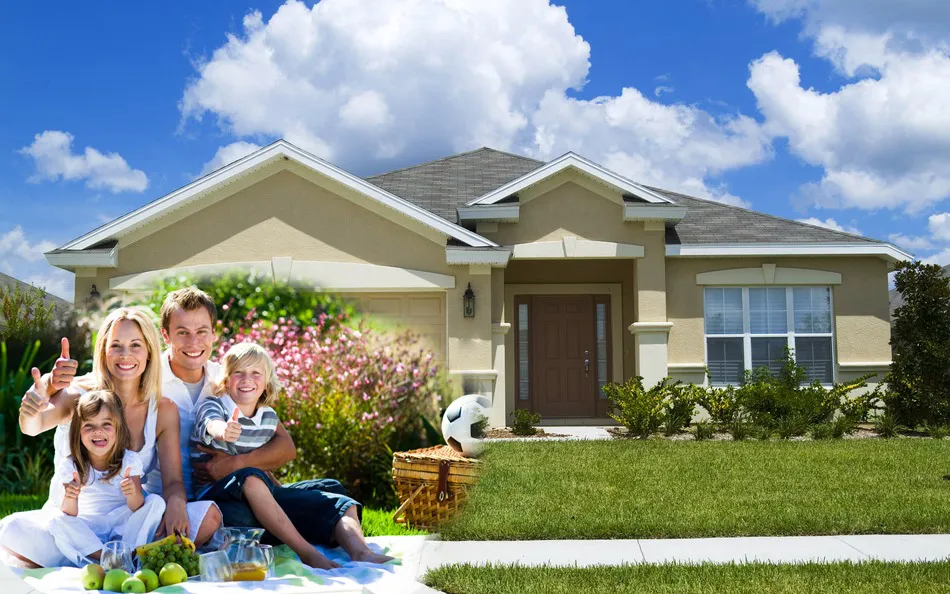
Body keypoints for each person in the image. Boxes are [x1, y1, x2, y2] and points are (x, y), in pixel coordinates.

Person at [0, 307, 221, 568]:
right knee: (10, 528)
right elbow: (33, 426)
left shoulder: (163, 410)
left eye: (135, 345)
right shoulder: (79, 396)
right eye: (116, 345)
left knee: (209, 516)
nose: (125, 355)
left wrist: (176, 503)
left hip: (129, 524)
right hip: (75, 519)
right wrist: (33, 405)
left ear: (150, 351)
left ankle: (91, 559)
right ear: (103, 350)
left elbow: (172, 480)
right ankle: (119, 559)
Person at [192, 342, 393, 569]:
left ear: (266, 383)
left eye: (255, 373)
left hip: (256, 489)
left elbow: (264, 463)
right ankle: (307, 552)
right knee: (250, 477)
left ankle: (361, 552)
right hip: (219, 495)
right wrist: (223, 430)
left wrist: (279, 489)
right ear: (226, 379)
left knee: (334, 491)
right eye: (238, 372)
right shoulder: (216, 405)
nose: (247, 379)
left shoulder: (267, 417)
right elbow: (210, 422)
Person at [48, 391, 166, 567]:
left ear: (118, 429)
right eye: (89, 425)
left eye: (106, 424)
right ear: (77, 431)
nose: (98, 431)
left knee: (156, 502)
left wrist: (133, 493)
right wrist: (70, 496)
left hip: (122, 527)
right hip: (89, 527)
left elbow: (137, 506)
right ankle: (108, 558)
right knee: (56, 520)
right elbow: (69, 513)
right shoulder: (71, 465)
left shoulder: (129, 460)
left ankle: (129, 552)